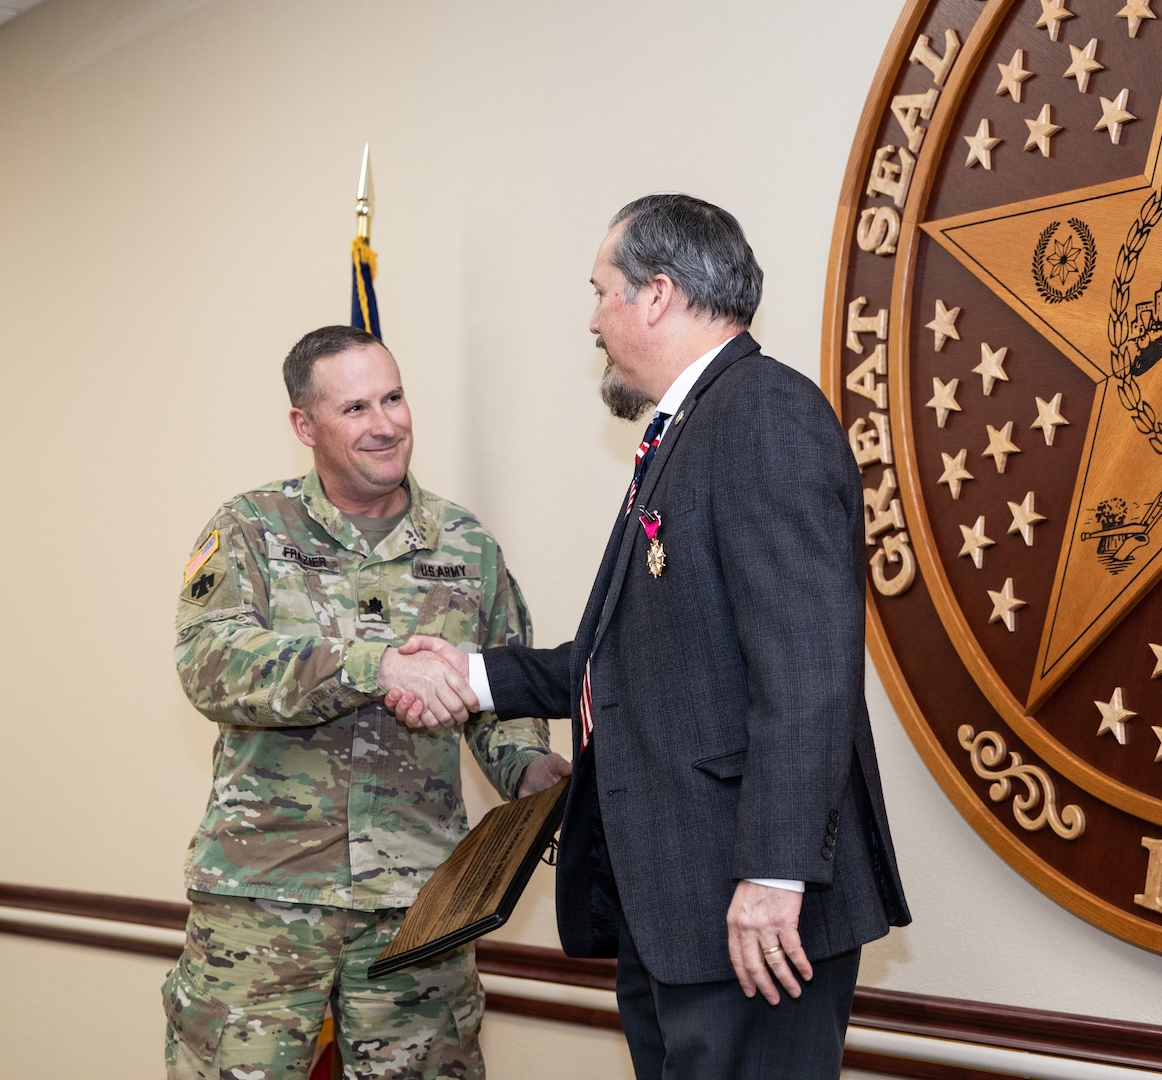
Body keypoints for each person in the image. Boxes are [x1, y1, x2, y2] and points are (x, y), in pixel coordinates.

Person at [392, 194, 910, 1078]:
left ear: (658, 294)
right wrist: (474, 676)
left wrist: (776, 876)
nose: (592, 320)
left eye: (602, 292)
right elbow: (631, 661)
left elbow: (809, 671)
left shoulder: (761, 416)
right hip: (681, 907)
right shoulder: (691, 429)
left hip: (749, 912)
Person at [162, 324, 570, 1080]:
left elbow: (500, 693)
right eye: (355, 408)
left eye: (394, 397)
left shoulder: (465, 546)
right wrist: (372, 666)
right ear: (304, 425)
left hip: (418, 910)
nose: (386, 423)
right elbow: (209, 664)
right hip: (264, 901)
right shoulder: (252, 529)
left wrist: (529, 770)